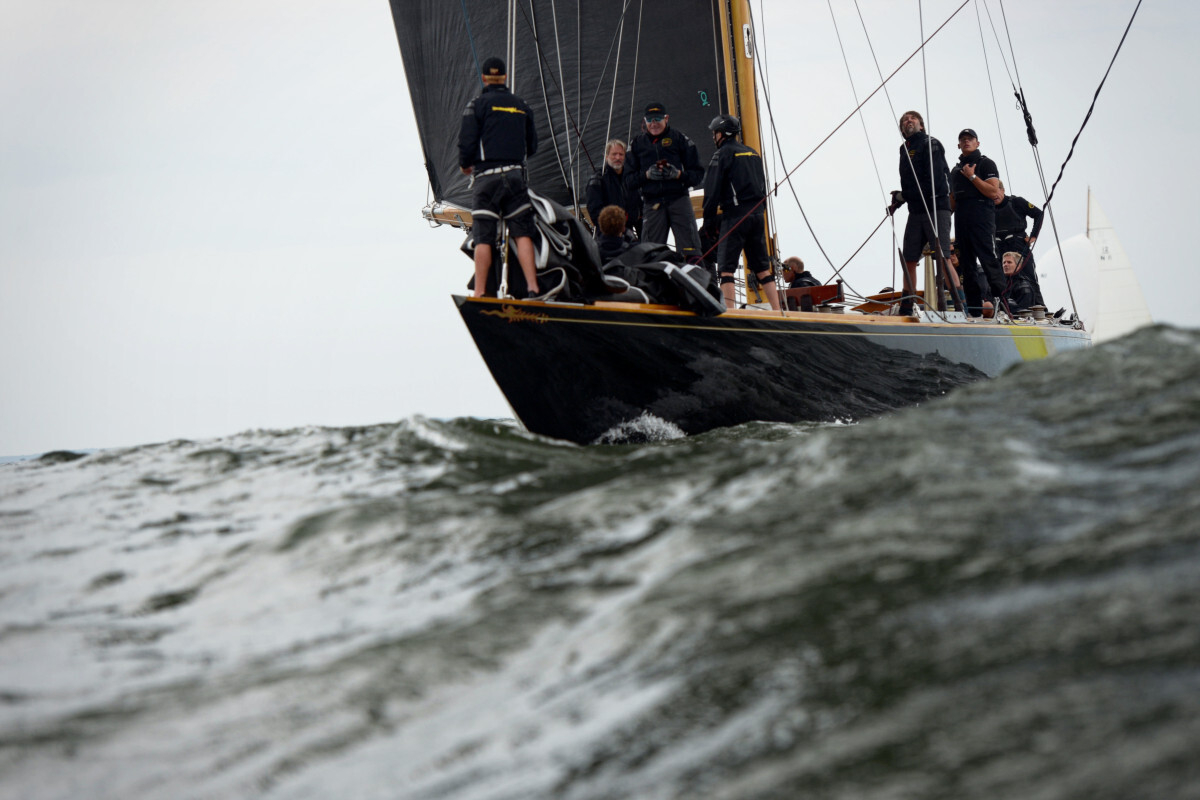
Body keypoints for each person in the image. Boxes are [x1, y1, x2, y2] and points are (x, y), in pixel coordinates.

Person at [457, 56, 540, 299]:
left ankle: (480, 292)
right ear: (505, 77)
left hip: (487, 180)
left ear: (484, 78)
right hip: (515, 177)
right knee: (522, 232)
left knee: (483, 236)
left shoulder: (476, 105)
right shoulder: (522, 105)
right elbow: (532, 146)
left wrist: (465, 165)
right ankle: (533, 288)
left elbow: (466, 143)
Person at [701, 114, 780, 310]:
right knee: (762, 268)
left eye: (715, 132)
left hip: (735, 217)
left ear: (721, 134)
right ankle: (778, 311)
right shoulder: (753, 153)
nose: (713, 136)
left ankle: (730, 313)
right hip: (757, 216)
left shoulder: (722, 154)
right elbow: (762, 185)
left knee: (726, 270)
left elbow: (711, 192)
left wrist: (708, 223)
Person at [887, 110, 952, 315]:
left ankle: (961, 304)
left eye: (913, 118)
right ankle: (907, 305)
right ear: (902, 129)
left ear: (921, 125)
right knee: (909, 259)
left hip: (936, 207)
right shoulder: (904, 149)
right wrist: (901, 199)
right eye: (905, 120)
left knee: (943, 257)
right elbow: (911, 184)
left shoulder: (931, 143)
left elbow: (935, 181)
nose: (909, 120)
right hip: (916, 210)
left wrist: (903, 196)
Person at [626, 102, 705, 263]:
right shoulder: (636, 144)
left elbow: (698, 174)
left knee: (691, 251)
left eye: (658, 119)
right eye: (650, 120)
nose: (654, 123)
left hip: (679, 200)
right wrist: (647, 175)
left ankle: (693, 278)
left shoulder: (680, 139)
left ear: (666, 118)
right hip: (652, 204)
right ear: (644, 121)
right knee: (650, 254)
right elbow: (628, 181)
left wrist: (678, 175)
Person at [951, 128, 1005, 316]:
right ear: (958, 144)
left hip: (981, 218)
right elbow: (951, 201)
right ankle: (974, 311)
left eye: (970, 138)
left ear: (977, 143)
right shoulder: (955, 171)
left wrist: (972, 176)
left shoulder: (986, 163)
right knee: (967, 266)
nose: (966, 141)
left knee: (989, 261)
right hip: (962, 219)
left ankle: (1003, 307)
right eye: (963, 139)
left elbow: (993, 192)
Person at [993, 181, 1046, 306]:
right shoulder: (986, 209)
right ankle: (1005, 308)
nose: (994, 196)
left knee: (1029, 278)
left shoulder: (1017, 202)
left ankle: (1040, 308)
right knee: (1000, 281)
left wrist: (1033, 236)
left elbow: (1038, 214)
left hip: (1018, 245)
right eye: (991, 193)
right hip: (999, 247)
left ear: (1003, 190)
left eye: (996, 191)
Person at [585, 140, 641, 238]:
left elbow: (638, 203)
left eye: (621, 154)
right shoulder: (598, 179)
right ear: (606, 156)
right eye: (614, 154)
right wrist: (614, 224)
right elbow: (594, 210)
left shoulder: (630, 178)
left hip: (629, 229)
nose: (618, 158)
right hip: (608, 233)